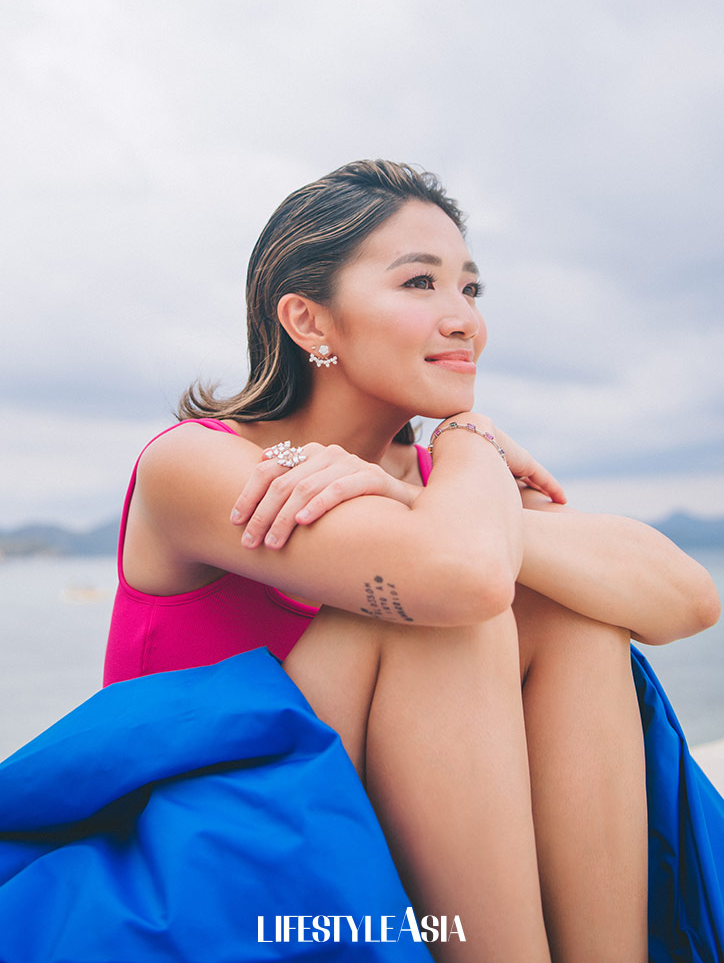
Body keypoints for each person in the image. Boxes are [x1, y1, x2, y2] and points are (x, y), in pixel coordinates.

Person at [1, 160, 722, 963]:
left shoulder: (450, 492)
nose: (464, 320)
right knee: (444, 616)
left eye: (471, 289)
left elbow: (687, 600)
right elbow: (460, 579)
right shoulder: (197, 463)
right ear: (309, 322)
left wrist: (436, 474)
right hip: (212, 862)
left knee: (567, 616)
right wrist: (473, 444)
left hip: (391, 848)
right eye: (420, 283)